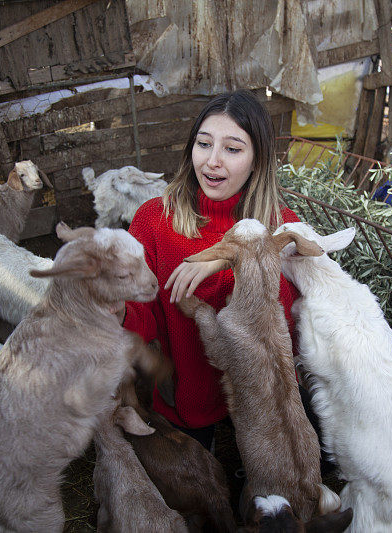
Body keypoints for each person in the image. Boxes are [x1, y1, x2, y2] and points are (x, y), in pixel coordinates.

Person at [121, 89, 302, 450]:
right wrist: (114, 308)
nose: (212, 162)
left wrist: (238, 255)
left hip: (260, 402)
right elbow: (142, 313)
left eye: (232, 149)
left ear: (257, 160)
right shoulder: (156, 220)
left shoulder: (283, 228)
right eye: (204, 144)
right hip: (186, 398)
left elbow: (287, 321)